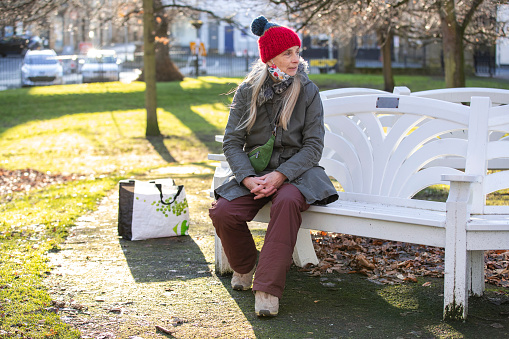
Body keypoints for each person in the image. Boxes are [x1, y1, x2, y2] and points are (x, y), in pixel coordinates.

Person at [209, 15, 338, 317]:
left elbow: (313, 147)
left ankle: (266, 288)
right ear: (270, 58)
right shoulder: (248, 91)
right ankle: (244, 266)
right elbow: (232, 141)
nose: (296, 59)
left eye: (297, 51)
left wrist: (281, 175)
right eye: (288, 53)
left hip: (298, 174)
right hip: (254, 173)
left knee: (288, 201)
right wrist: (246, 178)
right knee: (223, 212)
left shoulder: (308, 91)